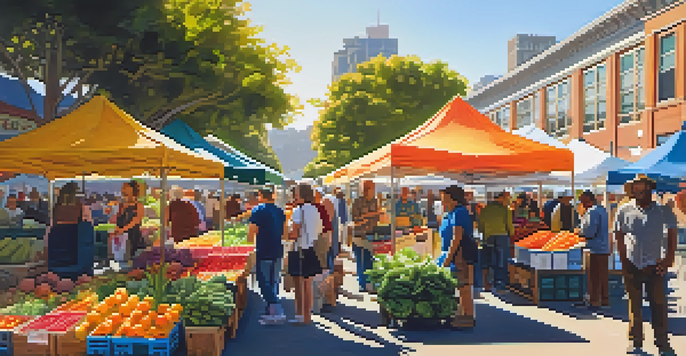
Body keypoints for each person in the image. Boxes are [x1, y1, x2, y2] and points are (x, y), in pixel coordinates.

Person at [615, 175, 677, 355]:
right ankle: (635, 342)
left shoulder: (663, 211)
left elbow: (672, 235)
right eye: (635, 188)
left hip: (655, 265)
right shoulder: (624, 210)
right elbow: (619, 235)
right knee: (634, 306)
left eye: (640, 187)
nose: (637, 191)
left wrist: (668, 260)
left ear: (649, 189)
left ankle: (663, 343)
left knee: (658, 304)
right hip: (632, 263)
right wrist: (624, 260)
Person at [438, 185, 478, 328]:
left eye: (444, 196)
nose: (441, 199)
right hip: (453, 256)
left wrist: (447, 260)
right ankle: (462, 315)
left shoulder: (459, 212)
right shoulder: (451, 212)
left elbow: (457, 237)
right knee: (459, 286)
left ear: (452, 197)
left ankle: (468, 317)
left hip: (460, 256)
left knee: (464, 286)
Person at [248, 188, 287, 324]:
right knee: (274, 280)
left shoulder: (258, 210)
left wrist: (248, 241)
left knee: (263, 280)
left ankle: (276, 309)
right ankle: (271, 310)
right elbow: (284, 233)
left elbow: (252, 231)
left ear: (260, 195)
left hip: (264, 249)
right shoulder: (280, 211)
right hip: (277, 248)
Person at [287, 183, 323, 325]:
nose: (294, 195)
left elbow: (294, 234)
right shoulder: (315, 210)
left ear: (302, 195)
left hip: (300, 249)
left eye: (296, 192)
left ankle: (300, 314)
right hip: (311, 248)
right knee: (308, 284)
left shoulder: (298, 211)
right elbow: (319, 230)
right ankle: (307, 316)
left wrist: (287, 232)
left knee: (299, 285)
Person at [577, 190, 611, 309]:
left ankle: (595, 300)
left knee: (595, 276)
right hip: (604, 247)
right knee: (603, 276)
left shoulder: (593, 212)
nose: (582, 204)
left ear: (589, 200)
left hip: (595, 248)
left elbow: (590, 232)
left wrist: (579, 232)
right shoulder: (602, 210)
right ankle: (604, 299)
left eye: (583, 201)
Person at [478, 191, 513, 292]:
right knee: (501, 260)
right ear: (501, 198)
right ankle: (500, 284)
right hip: (501, 236)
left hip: (487, 236)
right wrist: (511, 233)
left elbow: (480, 226)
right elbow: (509, 226)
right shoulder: (505, 209)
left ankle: (486, 283)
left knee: (487, 260)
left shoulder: (484, 210)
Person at [351, 180, 381, 293]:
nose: (373, 191)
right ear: (365, 190)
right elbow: (356, 221)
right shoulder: (357, 202)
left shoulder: (375, 201)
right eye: (372, 189)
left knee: (370, 260)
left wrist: (368, 217)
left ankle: (369, 283)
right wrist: (371, 215)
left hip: (372, 234)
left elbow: (377, 218)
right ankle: (362, 284)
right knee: (360, 260)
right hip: (359, 235)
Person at [110, 181, 145, 267]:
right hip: (121, 239)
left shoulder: (139, 206)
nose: (123, 190)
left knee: (133, 262)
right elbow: (117, 220)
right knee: (121, 261)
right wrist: (116, 231)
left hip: (134, 238)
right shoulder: (121, 206)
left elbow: (136, 221)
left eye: (126, 188)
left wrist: (122, 230)